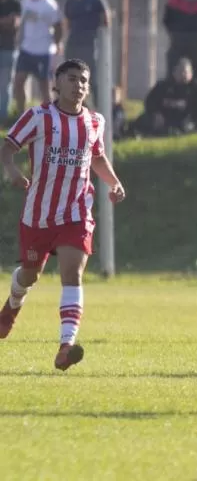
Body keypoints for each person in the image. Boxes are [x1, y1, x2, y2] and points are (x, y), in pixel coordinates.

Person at [0, 59, 126, 371]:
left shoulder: (95, 121)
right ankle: (11, 308)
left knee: (73, 273)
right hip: (38, 216)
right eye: (72, 79)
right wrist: (13, 170)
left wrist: (114, 182)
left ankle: (66, 346)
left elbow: (96, 157)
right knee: (29, 275)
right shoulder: (39, 117)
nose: (79, 85)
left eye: (84, 80)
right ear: (57, 82)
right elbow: (7, 146)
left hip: (76, 213)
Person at [14, 0, 63, 117]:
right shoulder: (26, 1)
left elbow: (58, 26)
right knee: (18, 81)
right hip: (26, 49)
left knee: (44, 87)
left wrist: (57, 43)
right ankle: (21, 115)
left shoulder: (49, 4)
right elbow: (22, 22)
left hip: (43, 51)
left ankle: (51, 117)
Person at [62, 0, 109, 102]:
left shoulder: (96, 0)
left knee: (92, 78)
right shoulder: (70, 2)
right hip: (74, 44)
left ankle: (99, 107)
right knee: (71, 76)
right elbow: (67, 24)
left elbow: (105, 22)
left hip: (91, 45)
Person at [131, 57, 197, 137]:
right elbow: (149, 102)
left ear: (191, 74)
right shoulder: (163, 86)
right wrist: (156, 114)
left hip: (184, 121)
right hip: (163, 118)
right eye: (180, 71)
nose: (183, 75)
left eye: (186, 72)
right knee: (143, 120)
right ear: (174, 73)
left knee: (183, 127)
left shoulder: (196, 90)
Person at [0, 0, 21, 124]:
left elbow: (14, 23)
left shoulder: (15, 3)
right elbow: (8, 22)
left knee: (5, 84)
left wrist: (8, 21)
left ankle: (2, 116)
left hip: (8, 49)